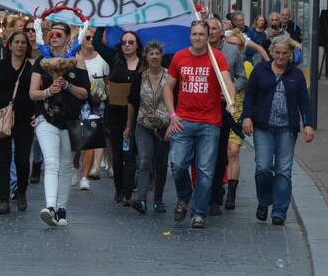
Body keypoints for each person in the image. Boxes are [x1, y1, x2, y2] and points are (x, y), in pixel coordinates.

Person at [163, 20, 236, 229]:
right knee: (177, 165)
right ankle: (185, 197)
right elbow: (168, 88)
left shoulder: (216, 57)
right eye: (194, 34)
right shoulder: (180, 57)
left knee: (205, 171)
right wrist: (172, 114)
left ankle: (199, 212)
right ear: (190, 36)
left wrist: (230, 101)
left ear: (208, 36)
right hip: (183, 121)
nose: (197, 38)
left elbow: (228, 83)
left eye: (201, 34)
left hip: (209, 123)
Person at [242, 36, 315, 225]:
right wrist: (247, 117)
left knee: (283, 170)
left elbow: (304, 102)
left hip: (286, 129)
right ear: (272, 52)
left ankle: (280, 211)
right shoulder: (260, 70)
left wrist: (308, 124)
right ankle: (264, 201)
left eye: (285, 53)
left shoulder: (296, 75)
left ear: (290, 54)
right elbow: (249, 96)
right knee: (263, 167)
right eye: (278, 53)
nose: (281, 56)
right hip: (263, 127)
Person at [29, 25, 90, 227]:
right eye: (50, 34)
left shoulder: (77, 60)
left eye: (58, 35)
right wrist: (48, 91)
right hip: (46, 118)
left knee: (65, 166)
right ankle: (50, 206)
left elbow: (85, 93)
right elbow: (32, 93)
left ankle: (61, 209)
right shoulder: (42, 61)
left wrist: (67, 86)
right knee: (52, 162)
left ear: (67, 39)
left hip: (70, 121)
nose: (53, 37)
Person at [91, 27, 141, 203]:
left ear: (137, 45)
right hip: (115, 113)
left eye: (131, 42)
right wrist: (103, 21)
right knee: (118, 153)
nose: (127, 45)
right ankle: (119, 189)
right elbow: (96, 42)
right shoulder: (115, 59)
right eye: (124, 42)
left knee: (132, 153)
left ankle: (128, 190)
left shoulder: (144, 64)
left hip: (136, 114)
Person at [0, 29, 35, 214]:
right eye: (16, 42)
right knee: (3, 159)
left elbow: (38, 90)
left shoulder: (33, 66)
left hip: (25, 119)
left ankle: (22, 191)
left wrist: (37, 113)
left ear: (27, 46)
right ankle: (4, 199)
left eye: (23, 42)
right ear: (9, 45)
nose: (20, 45)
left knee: (23, 160)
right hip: (3, 117)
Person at [125, 40, 170, 215]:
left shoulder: (170, 76)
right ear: (146, 57)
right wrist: (128, 126)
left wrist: (174, 122)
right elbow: (131, 103)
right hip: (143, 124)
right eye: (151, 54)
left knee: (161, 164)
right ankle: (142, 199)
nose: (154, 57)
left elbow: (176, 100)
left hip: (164, 126)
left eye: (157, 54)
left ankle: (158, 200)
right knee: (144, 161)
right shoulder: (139, 77)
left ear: (161, 56)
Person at [216, 28, 249, 212]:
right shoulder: (213, 55)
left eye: (237, 44)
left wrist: (231, 89)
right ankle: (219, 185)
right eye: (231, 43)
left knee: (233, 151)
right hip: (219, 109)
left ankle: (232, 193)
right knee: (221, 151)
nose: (233, 46)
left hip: (236, 108)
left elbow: (243, 81)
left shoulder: (246, 64)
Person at [75, 28, 110, 192]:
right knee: (76, 143)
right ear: (80, 39)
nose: (90, 40)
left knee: (89, 140)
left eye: (93, 37)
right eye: (87, 37)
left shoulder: (102, 60)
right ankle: (76, 166)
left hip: (95, 104)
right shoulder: (74, 58)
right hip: (76, 102)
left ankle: (85, 176)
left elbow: (108, 81)